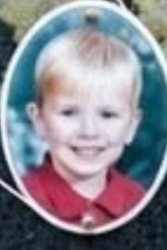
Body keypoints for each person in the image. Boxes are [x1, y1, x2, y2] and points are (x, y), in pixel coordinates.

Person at [22, 16, 147, 231]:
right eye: (69, 112)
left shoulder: (139, 201)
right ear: (39, 120)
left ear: (131, 126)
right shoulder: (24, 198)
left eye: (107, 115)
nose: (89, 131)